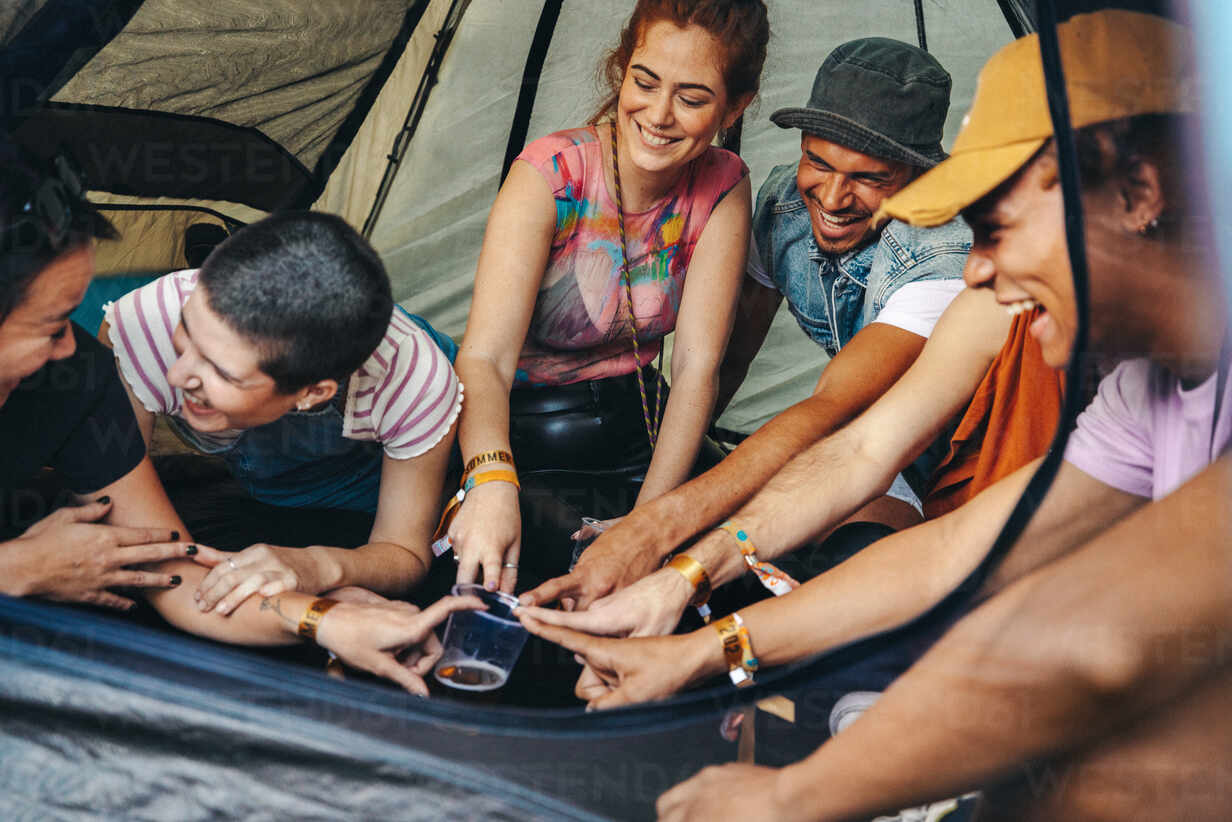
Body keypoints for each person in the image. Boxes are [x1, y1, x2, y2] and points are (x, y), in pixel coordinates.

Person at [527, 10, 1232, 820]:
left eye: (997, 226)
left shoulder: (942, 276)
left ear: (1139, 193)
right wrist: (692, 636)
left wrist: (794, 798)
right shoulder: (1143, 397)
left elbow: (1083, 648)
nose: (979, 266)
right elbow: (950, 549)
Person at [0, 148, 482, 695]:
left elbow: (162, 568)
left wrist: (322, 615)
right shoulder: (143, 331)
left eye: (71, 318)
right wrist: (17, 568)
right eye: (54, 322)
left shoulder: (75, 381)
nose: (74, 345)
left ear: (312, 393)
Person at [523, 36, 973, 612]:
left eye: (869, 177)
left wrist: (655, 526)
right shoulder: (785, 204)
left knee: (845, 576)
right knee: (744, 547)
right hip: (855, 439)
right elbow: (731, 355)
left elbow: (833, 408)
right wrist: (660, 486)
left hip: (946, 463)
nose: (833, 196)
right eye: (819, 161)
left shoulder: (942, 258)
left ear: (918, 175)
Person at [447, 0, 769, 593]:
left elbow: (698, 369)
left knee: (741, 571)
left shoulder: (726, 184)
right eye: (644, 83)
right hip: (525, 436)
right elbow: (484, 359)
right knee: (558, 581)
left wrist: (649, 524)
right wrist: (491, 480)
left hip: (642, 433)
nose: (659, 115)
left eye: (693, 98)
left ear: (735, 106)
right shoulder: (552, 174)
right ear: (622, 69)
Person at [100, 211, 462, 616]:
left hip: (380, 482)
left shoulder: (416, 380)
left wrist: (315, 568)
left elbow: (402, 551)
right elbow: (111, 496)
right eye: (186, 333)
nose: (176, 374)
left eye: (220, 371)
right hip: (273, 487)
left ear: (311, 394)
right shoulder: (144, 325)